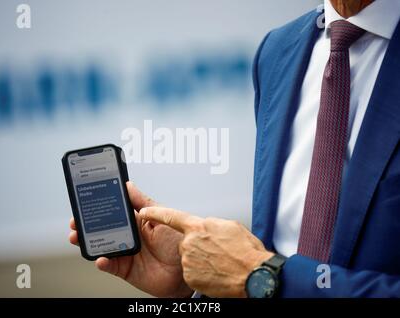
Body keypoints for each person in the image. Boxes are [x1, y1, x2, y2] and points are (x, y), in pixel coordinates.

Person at [69, 0, 400, 297]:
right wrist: (196, 276)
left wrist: (260, 274)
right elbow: (270, 258)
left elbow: (264, 273)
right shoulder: (278, 51)